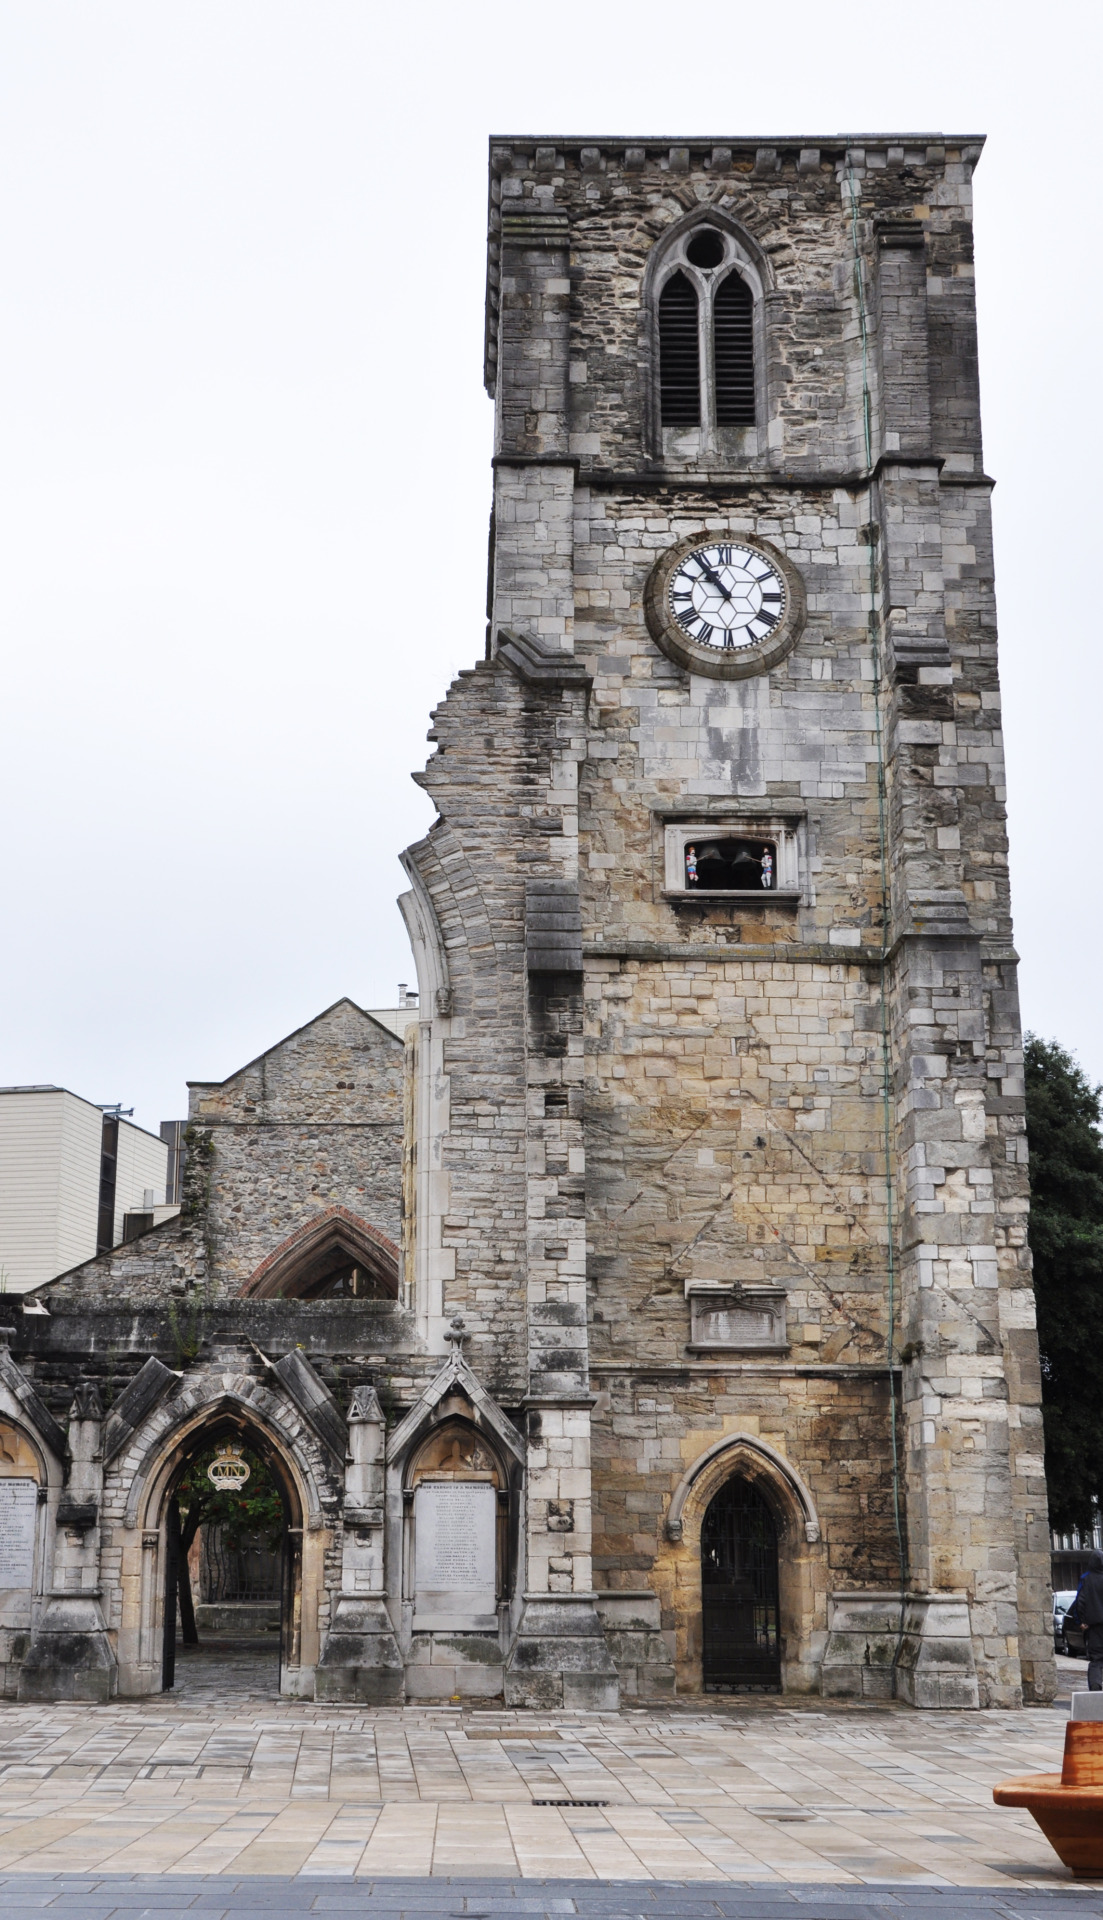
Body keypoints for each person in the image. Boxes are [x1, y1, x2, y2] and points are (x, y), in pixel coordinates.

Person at [1065, 1549, 1103, 1689]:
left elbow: (1080, 1602)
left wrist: (1080, 1621)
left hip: (1094, 1627)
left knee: (1096, 1659)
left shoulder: (1086, 1579)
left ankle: (1095, 1688)